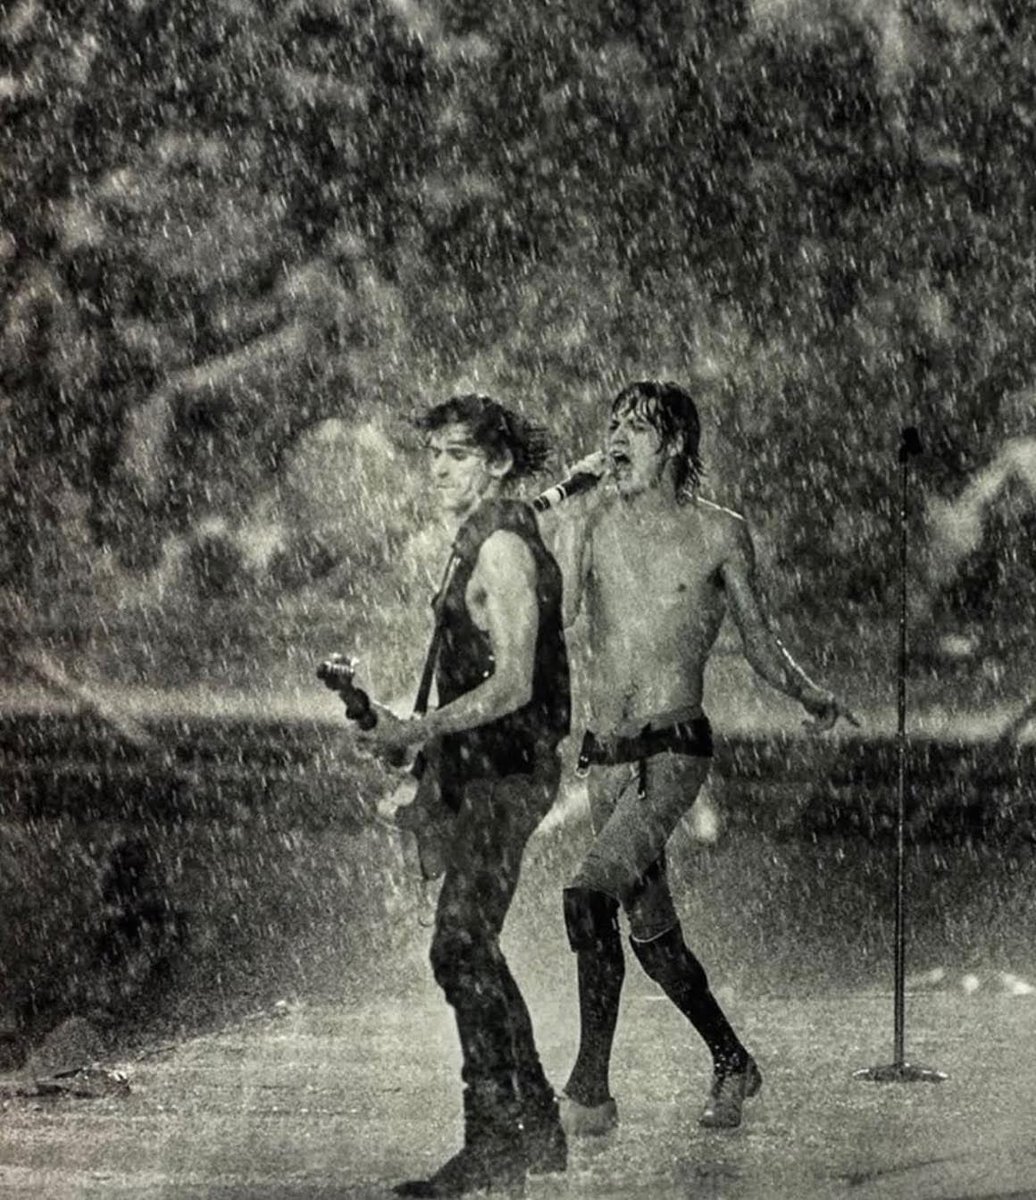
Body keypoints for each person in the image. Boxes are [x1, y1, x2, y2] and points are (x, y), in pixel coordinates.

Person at [546, 380, 857, 1136]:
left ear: (675, 445)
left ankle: (589, 1092)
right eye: (613, 424)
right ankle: (732, 1060)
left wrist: (810, 694)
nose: (617, 438)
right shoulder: (596, 520)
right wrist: (572, 521)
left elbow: (759, 643)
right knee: (655, 940)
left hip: (673, 750)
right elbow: (561, 615)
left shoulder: (719, 533)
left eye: (637, 428)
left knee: (587, 898)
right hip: (606, 757)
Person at [355, 394, 571, 1197]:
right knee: (473, 946)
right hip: (481, 766)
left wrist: (420, 730)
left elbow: (514, 683)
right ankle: (535, 1124)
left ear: (499, 463)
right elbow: (474, 675)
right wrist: (413, 732)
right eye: (434, 455)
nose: (439, 470)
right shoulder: (478, 538)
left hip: (508, 772)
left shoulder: (503, 550)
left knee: (458, 946)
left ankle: (494, 1143)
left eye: (458, 455)